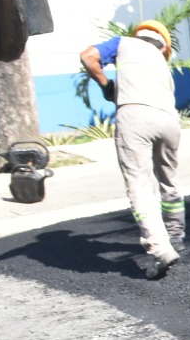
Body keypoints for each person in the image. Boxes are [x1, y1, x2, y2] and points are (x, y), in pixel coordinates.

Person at [79, 20, 184, 279]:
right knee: (169, 180)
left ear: (139, 35)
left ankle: (160, 249)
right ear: (163, 47)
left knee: (139, 183)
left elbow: (88, 56)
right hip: (169, 121)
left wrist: (106, 85)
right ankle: (176, 236)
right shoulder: (162, 64)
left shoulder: (123, 43)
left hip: (135, 115)